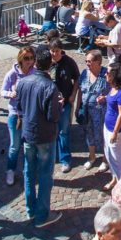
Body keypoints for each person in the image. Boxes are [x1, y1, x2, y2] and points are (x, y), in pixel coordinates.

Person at [15, 49, 62, 226]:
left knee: (29, 172)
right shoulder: (50, 87)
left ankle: (30, 209)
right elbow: (53, 117)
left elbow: (19, 106)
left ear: (36, 63)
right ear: (50, 65)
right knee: (44, 176)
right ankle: (42, 215)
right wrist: (59, 105)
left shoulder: (23, 82)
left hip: (28, 134)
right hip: (44, 136)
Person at [3, 47, 36, 186]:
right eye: (26, 58)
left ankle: (28, 172)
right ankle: (10, 170)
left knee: (29, 146)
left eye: (31, 58)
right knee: (15, 146)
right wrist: (10, 94)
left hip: (30, 114)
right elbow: (2, 90)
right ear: (20, 59)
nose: (29, 61)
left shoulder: (35, 73)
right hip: (16, 115)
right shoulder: (12, 74)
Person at [48, 39, 81, 173]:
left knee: (64, 131)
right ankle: (52, 156)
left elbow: (77, 78)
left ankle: (65, 159)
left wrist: (73, 94)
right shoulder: (48, 62)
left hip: (65, 102)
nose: (54, 54)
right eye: (52, 51)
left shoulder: (69, 62)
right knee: (51, 131)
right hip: (50, 103)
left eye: (57, 51)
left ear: (61, 50)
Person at [78, 50, 111, 173]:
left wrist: (106, 98)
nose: (87, 63)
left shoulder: (107, 74)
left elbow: (116, 92)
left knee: (103, 136)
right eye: (86, 61)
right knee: (89, 133)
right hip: (86, 111)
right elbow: (81, 91)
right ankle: (92, 157)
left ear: (98, 62)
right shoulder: (84, 73)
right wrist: (78, 107)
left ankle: (105, 160)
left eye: (90, 61)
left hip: (102, 112)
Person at [103, 63, 121, 192]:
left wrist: (114, 132)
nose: (105, 75)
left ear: (114, 75)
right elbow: (111, 100)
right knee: (109, 155)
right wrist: (104, 98)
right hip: (107, 127)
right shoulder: (113, 87)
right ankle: (115, 178)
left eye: (107, 73)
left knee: (117, 158)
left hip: (116, 131)